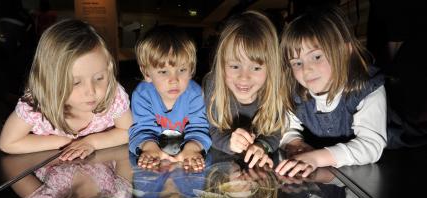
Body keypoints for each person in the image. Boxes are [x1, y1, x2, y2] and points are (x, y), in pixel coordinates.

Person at [275, 7, 387, 178]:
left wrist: (315, 158)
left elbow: (371, 145)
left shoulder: (367, 88)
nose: (306, 70)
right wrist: (295, 143)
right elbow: (286, 127)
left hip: (366, 177)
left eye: (317, 57)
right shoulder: (295, 91)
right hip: (324, 178)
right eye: (297, 63)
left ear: (344, 52)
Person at [0, 19, 133, 161]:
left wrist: (91, 142)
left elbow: (129, 131)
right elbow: (8, 143)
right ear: (50, 82)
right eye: (75, 82)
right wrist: (65, 143)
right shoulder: (36, 104)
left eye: (99, 78)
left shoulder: (113, 96)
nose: (91, 91)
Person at [203, 10, 291, 169]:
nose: (244, 77)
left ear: (271, 68)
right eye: (235, 66)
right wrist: (229, 142)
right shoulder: (213, 85)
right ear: (222, 65)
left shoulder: (277, 90)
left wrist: (261, 146)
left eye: (256, 68)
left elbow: (276, 132)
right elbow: (213, 130)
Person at [128, 25, 211, 172]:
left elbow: (199, 127)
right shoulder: (142, 95)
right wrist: (149, 148)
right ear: (146, 72)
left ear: (191, 69)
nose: (174, 80)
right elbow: (142, 129)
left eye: (182, 70)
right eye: (163, 71)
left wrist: (192, 149)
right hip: (157, 161)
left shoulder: (196, 94)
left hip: (184, 160)